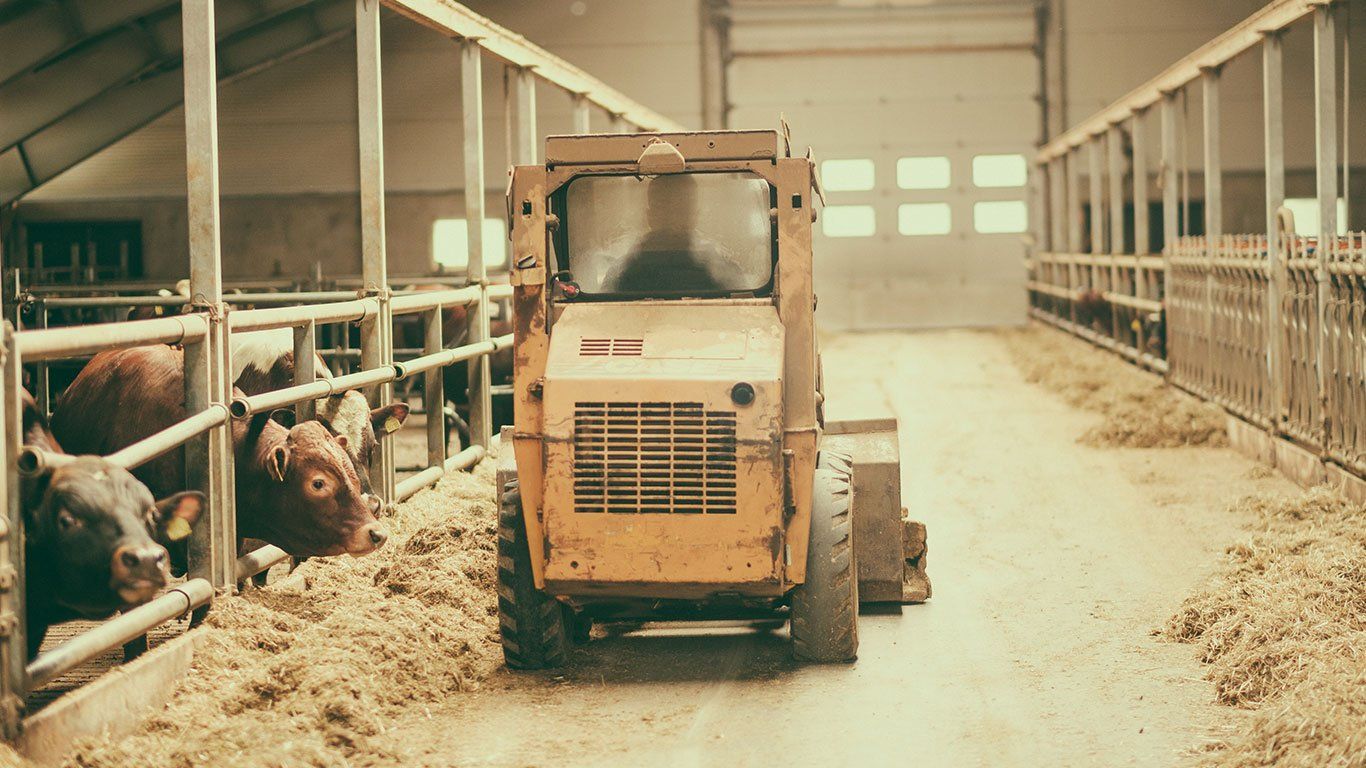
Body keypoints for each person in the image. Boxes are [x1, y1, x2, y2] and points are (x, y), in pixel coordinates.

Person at [602, 175, 722, 293]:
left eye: (681, 210)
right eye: (666, 210)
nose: (674, 220)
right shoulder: (718, 270)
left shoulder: (621, 272)